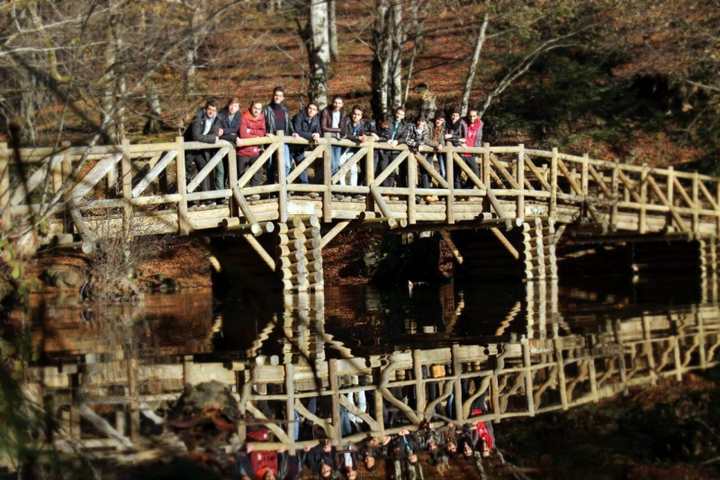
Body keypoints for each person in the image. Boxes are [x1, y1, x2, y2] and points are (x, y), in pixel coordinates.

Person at [183, 98, 223, 202]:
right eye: (209, 109)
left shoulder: (216, 119)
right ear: (205, 109)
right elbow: (196, 136)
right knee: (188, 173)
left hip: (200, 150)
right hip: (189, 149)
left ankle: (206, 199)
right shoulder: (198, 118)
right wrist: (213, 139)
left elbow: (215, 132)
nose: (211, 112)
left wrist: (215, 136)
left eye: (214, 110)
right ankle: (188, 200)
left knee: (205, 169)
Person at [338, 106, 375, 187]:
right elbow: (344, 134)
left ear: (361, 116)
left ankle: (353, 188)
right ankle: (342, 187)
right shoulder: (346, 121)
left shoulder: (362, 124)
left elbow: (365, 133)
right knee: (340, 165)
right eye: (354, 114)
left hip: (353, 150)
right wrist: (357, 138)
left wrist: (367, 135)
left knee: (354, 169)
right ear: (351, 114)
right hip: (343, 148)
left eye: (358, 115)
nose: (356, 116)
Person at [263, 86, 293, 182]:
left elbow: (289, 124)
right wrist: (266, 133)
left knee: (287, 165)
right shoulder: (267, 109)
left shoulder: (284, 110)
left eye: (280, 96)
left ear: (283, 98)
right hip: (271, 140)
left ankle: (282, 186)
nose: (277, 97)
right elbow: (262, 124)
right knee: (270, 165)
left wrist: (294, 133)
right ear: (273, 96)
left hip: (284, 140)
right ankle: (272, 190)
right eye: (276, 95)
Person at [237, 101, 267, 195]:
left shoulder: (262, 118)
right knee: (240, 174)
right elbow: (243, 134)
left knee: (257, 172)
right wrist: (256, 135)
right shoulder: (244, 117)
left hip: (255, 151)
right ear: (251, 107)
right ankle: (240, 194)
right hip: (243, 151)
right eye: (255, 108)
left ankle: (254, 193)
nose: (256, 111)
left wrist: (250, 130)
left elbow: (262, 132)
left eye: (259, 109)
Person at [290, 102, 322, 185]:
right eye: (310, 108)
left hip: (302, 147)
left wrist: (317, 134)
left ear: (317, 112)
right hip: (291, 145)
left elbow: (318, 130)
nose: (311, 111)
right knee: (288, 165)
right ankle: (288, 187)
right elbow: (298, 131)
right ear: (306, 109)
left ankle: (304, 187)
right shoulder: (299, 116)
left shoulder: (316, 119)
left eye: (314, 109)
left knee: (302, 164)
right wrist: (311, 135)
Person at [216, 97, 242, 190]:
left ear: (238, 107)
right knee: (220, 170)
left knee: (229, 169)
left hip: (231, 147)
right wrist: (233, 136)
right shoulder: (221, 114)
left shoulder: (239, 115)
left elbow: (235, 129)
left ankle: (228, 190)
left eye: (235, 106)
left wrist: (224, 130)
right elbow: (218, 133)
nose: (232, 108)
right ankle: (220, 194)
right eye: (231, 105)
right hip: (220, 146)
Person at [320, 96, 347, 176]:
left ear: (342, 104)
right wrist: (338, 131)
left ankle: (333, 183)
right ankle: (330, 183)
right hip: (328, 137)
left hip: (338, 139)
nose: (337, 105)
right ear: (332, 103)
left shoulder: (343, 113)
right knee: (331, 163)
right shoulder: (326, 111)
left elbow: (344, 128)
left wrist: (341, 133)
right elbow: (323, 127)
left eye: (339, 103)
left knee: (336, 162)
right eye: (335, 102)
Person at [461, 109, 483, 188]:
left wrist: (477, 150)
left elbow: (479, 138)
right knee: (456, 174)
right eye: (470, 116)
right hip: (461, 152)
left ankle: (466, 191)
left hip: (471, 153)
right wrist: (461, 144)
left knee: (475, 174)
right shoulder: (462, 123)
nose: (472, 118)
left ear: (477, 116)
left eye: (474, 116)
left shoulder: (480, 124)